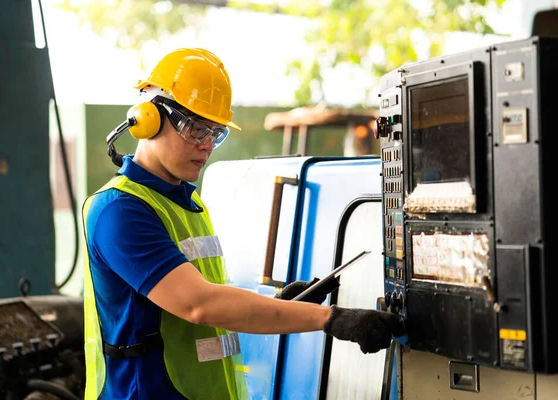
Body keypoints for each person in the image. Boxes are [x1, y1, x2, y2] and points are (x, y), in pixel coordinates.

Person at [82, 47, 404, 400]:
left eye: (215, 134)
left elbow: (207, 317)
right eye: (195, 129)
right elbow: (198, 303)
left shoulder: (188, 202)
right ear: (148, 118)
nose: (206, 146)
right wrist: (329, 319)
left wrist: (282, 304)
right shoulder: (121, 211)